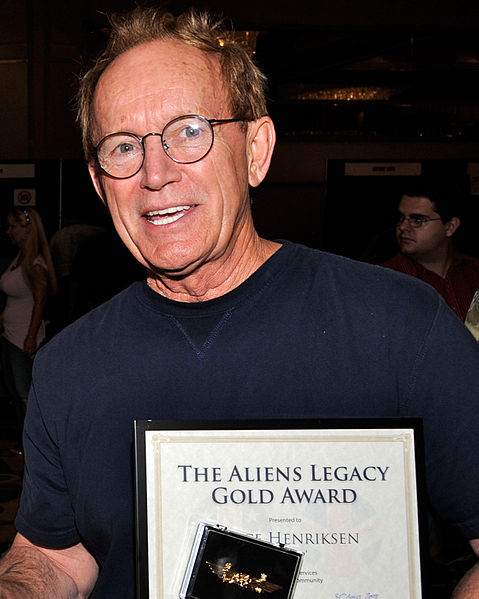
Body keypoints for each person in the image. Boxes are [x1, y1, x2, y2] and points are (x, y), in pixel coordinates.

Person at [0, 7, 479, 598]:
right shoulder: (69, 364)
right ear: (100, 184)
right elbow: (54, 555)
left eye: (190, 132)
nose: (155, 173)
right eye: (123, 147)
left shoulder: (403, 327)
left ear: (256, 150)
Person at [382, 182, 479, 321]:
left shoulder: (474, 272)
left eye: (417, 220)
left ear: (450, 226)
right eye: (401, 218)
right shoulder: (385, 279)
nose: (403, 226)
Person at [0, 207, 57, 434]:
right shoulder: (19, 259)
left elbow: (40, 303)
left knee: (25, 395)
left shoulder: (35, 264)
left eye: (13, 226)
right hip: (10, 334)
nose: (8, 231)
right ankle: (23, 446)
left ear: (27, 230)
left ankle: (33, 448)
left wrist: (31, 337)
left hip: (23, 339)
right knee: (14, 392)